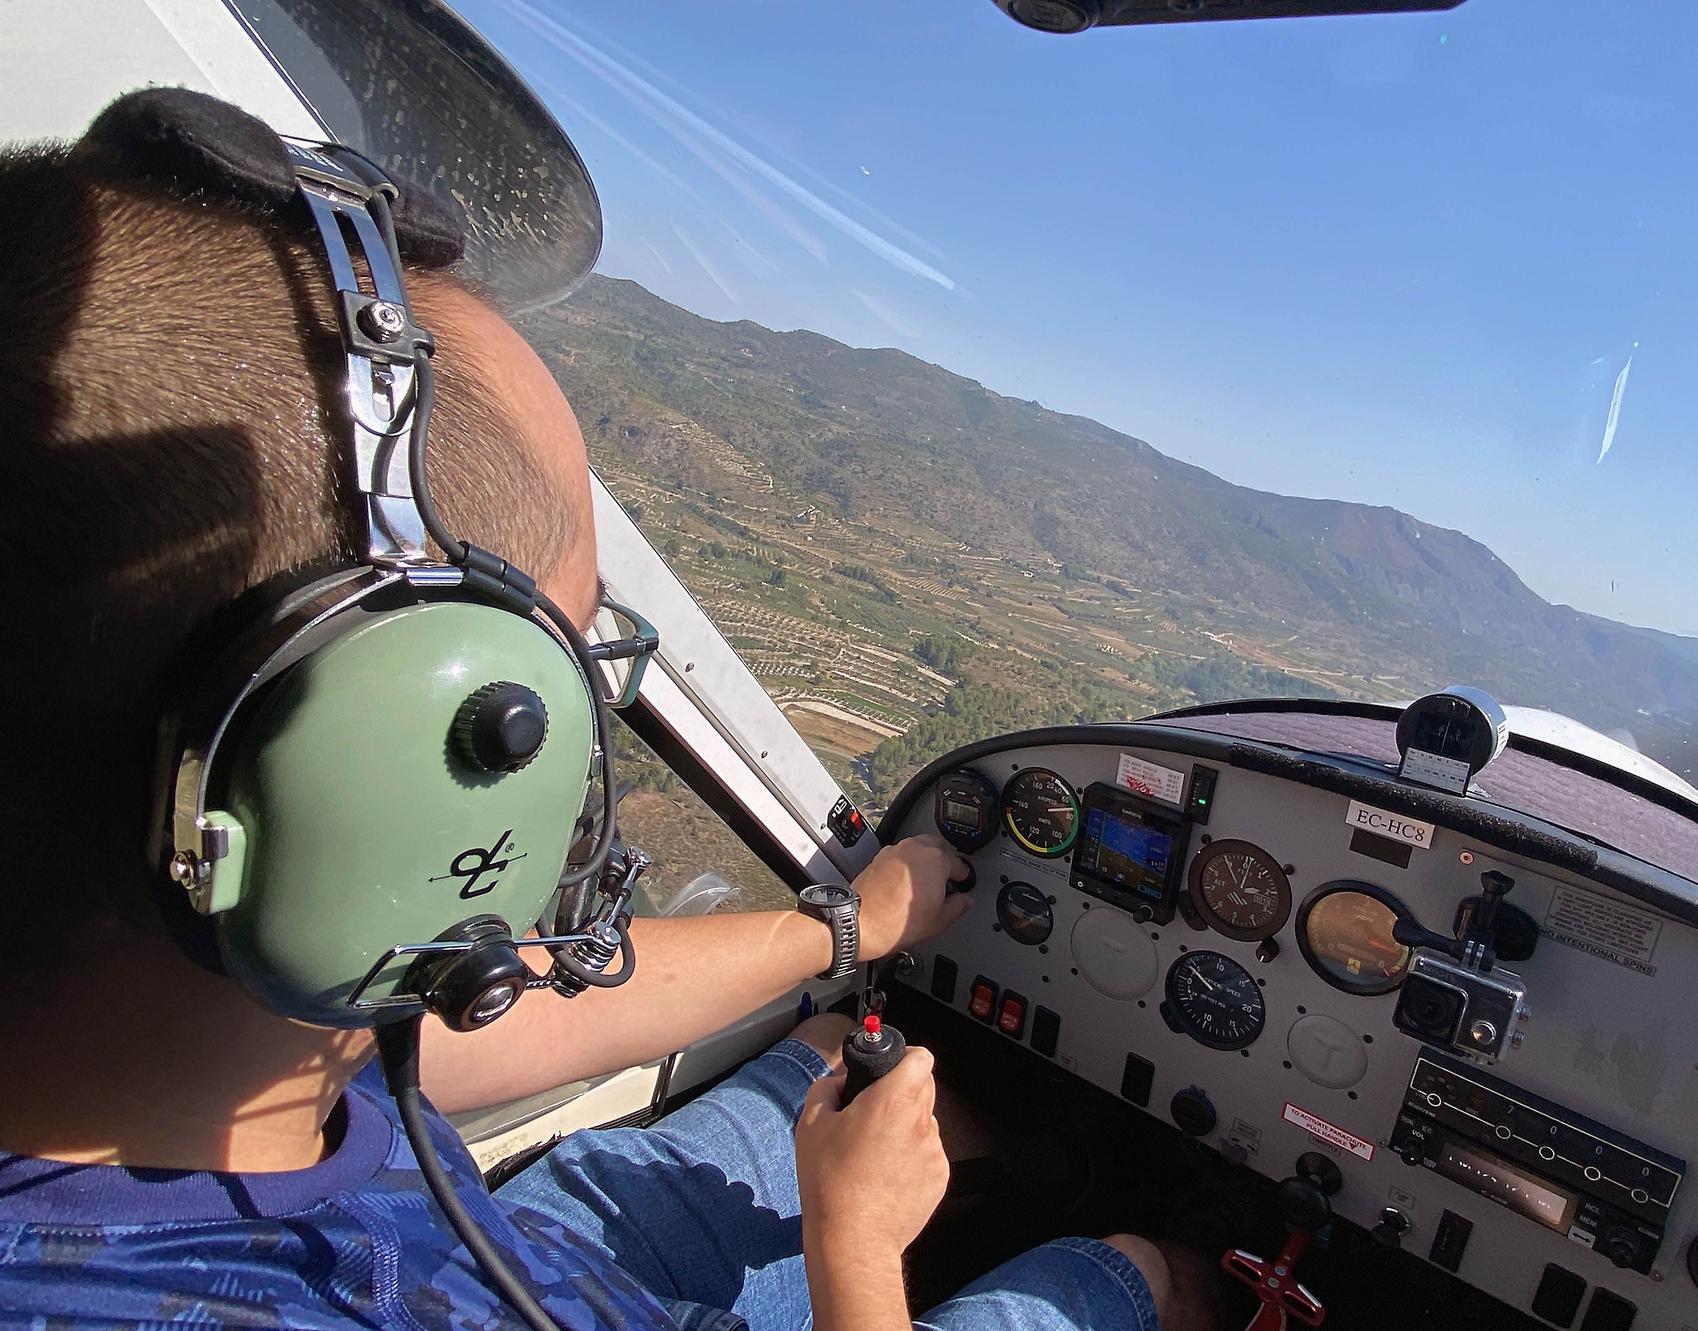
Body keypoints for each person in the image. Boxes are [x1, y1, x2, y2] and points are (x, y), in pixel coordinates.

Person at [0, 110, 1202, 1330]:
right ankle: (1182, 1259)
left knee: (831, 1045)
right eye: (559, 659)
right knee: (1122, 1277)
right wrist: (857, 1243)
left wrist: (845, 926)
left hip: (446, 1217)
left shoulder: (190, 1027)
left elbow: (450, 1027)